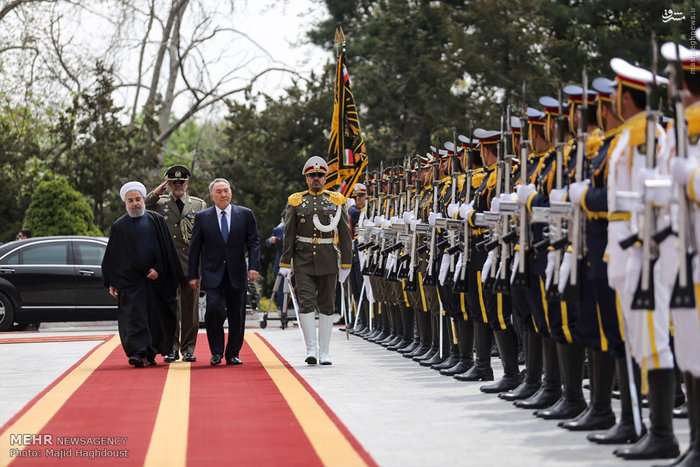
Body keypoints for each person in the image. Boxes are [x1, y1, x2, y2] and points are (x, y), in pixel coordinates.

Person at [278, 156, 352, 365]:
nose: (316, 179)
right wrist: (285, 262)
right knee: (306, 303)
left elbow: (345, 235)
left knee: (327, 305)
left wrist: (346, 263)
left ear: (325, 177)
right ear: (306, 178)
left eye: (320, 175)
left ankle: (325, 351)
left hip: (328, 258)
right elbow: (289, 234)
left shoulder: (336, 200)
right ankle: (311, 349)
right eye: (312, 175)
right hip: (303, 261)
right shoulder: (296, 201)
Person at [101, 181, 183, 367]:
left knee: (155, 319)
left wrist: (158, 269)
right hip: (131, 284)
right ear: (125, 203)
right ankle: (137, 353)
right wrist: (112, 281)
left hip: (154, 282)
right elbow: (112, 257)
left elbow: (167, 251)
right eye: (130, 200)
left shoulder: (156, 221)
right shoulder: (119, 226)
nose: (135, 203)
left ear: (144, 199)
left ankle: (151, 352)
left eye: (138, 199)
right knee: (134, 319)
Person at [187, 178, 261, 366]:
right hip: (212, 275)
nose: (223, 194)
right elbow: (195, 248)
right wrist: (193, 275)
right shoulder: (203, 217)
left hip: (237, 274)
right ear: (212, 195)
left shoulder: (245, 214)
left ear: (231, 192)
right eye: (219, 191)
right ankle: (216, 352)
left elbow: (254, 243)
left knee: (237, 315)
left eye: (226, 190)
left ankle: (233, 353)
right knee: (213, 311)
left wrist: (253, 266)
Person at [146, 165, 207, 363]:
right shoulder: (159, 203)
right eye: (173, 182)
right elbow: (142, 205)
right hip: (168, 264)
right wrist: (157, 192)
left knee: (190, 309)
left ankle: (189, 348)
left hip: (190, 263)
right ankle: (171, 348)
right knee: (170, 309)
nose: (178, 185)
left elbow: (203, 236)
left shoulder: (198, 205)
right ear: (168, 184)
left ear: (187, 183)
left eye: (181, 182)